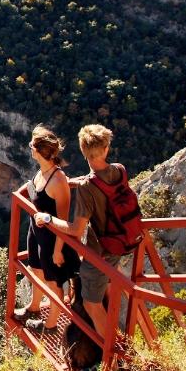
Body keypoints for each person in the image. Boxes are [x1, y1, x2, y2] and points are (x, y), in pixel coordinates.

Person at [35, 124, 123, 343]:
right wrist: (74, 182)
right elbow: (100, 180)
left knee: (92, 304)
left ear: (83, 152)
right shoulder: (120, 170)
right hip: (121, 243)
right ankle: (123, 339)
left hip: (100, 251)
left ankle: (112, 356)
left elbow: (76, 230)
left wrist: (48, 218)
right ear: (106, 149)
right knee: (110, 291)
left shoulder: (86, 190)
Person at [14, 125, 79, 334]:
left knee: (54, 282)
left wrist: (58, 250)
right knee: (36, 271)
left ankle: (50, 325)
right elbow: (34, 190)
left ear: (39, 150)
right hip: (36, 232)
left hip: (52, 240)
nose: (29, 147)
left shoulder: (58, 180)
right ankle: (33, 307)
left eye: (32, 145)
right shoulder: (42, 172)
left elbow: (63, 218)